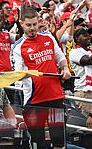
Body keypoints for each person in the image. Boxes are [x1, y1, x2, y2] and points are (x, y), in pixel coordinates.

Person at [12, 8, 70, 149]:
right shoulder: (18, 47)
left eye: (34, 24)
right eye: (28, 25)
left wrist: (65, 68)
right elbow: (17, 74)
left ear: (38, 22)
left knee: (59, 140)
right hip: (34, 100)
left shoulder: (49, 37)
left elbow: (60, 57)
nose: (32, 28)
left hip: (55, 96)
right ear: (21, 24)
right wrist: (30, 73)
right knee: (38, 142)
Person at [68, 28, 92, 115]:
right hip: (84, 91)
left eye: (88, 35)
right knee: (87, 123)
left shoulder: (91, 52)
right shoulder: (74, 52)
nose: (89, 37)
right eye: (85, 35)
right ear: (77, 39)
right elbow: (88, 61)